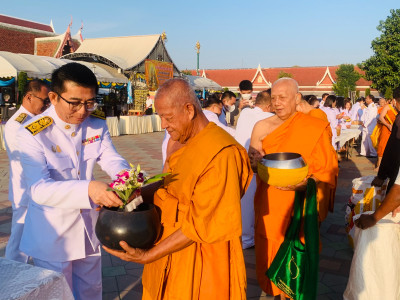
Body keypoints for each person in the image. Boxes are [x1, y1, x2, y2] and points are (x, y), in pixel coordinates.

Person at [104, 78, 252, 300]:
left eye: (168, 117)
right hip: (167, 242)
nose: (163, 125)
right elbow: (167, 186)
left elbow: (203, 222)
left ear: (189, 110)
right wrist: (126, 198)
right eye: (160, 117)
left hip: (202, 252)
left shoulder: (223, 153)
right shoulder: (179, 141)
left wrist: (149, 255)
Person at [17, 63, 130, 299]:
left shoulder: (96, 124)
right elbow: (38, 189)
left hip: (88, 230)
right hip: (53, 234)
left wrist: (126, 180)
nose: (82, 111)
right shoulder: (32, 133)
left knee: (91, 290)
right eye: (75, 103)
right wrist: (89, 189)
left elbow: (111, 158)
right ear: (53, 97)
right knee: (58, 293)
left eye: (89, 103)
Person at [249, 78, 338, 299]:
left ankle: (293, 293)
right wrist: (252, 162)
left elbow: (327, 167)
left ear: (297, 98)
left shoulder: (312, 127)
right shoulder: (262, 127)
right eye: (274, 98)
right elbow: (253, 164)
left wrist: (307, 183)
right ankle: (276, 292)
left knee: (298, 259)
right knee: (269, 254)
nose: (277, 103)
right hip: (270, 202)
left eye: (283, 98)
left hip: (300, 204)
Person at [4, 79, 50, 263]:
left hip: (37, 188)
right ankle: (11, 275)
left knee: (35, 235)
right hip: (25, 189)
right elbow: (28, 159)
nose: (46, 105)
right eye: (44, 100)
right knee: (19, 239)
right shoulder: (18, 124)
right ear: (29, 97)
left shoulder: (37, 119)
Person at [234, 89, 274, 249]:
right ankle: (247, 238)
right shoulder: (269, 117)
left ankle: (243, 235)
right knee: (250, 201)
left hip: (239, 160)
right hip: (253, 161)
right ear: (270, 105)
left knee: (243, 200)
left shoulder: (245, 113)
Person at [372, 89, 400, 193]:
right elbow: (381, 117)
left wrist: (382, 175)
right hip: (386, 130)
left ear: (395, 101)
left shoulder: (399, 119)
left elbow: (393, 148)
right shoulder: (391, 111)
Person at [375, 98, 397, 171]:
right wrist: (388, 125)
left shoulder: (398, 108)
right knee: (382, 146)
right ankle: (379, 165)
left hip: (395, 130)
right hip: (386, 128)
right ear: (393, 100)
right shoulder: (387, 107)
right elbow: (381, 117)